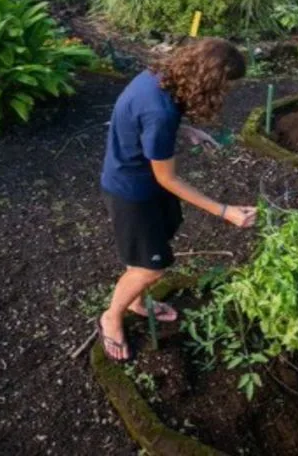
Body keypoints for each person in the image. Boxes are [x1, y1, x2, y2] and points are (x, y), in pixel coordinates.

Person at [97, 37, 257, 362]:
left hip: (140, 183)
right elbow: (167, 178)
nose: (227, 92)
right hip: (132, 192)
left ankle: (136, 302)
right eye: (226, 86)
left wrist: (184, 131)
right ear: (209, 81)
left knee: (155, 244)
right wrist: (225, 211)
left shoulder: (156, 77)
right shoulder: (160, 114)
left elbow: (142, 120)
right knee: (151, 269)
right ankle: (111, 316)